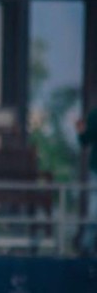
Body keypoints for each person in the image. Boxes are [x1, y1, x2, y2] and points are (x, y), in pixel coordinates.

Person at [76, 107, 97, 254]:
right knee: (94, 209)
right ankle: (87, 245)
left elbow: (84, 139)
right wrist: (81, 130)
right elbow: (85, 139)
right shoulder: (95, 115)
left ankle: (87, 244)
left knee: (94, 209)